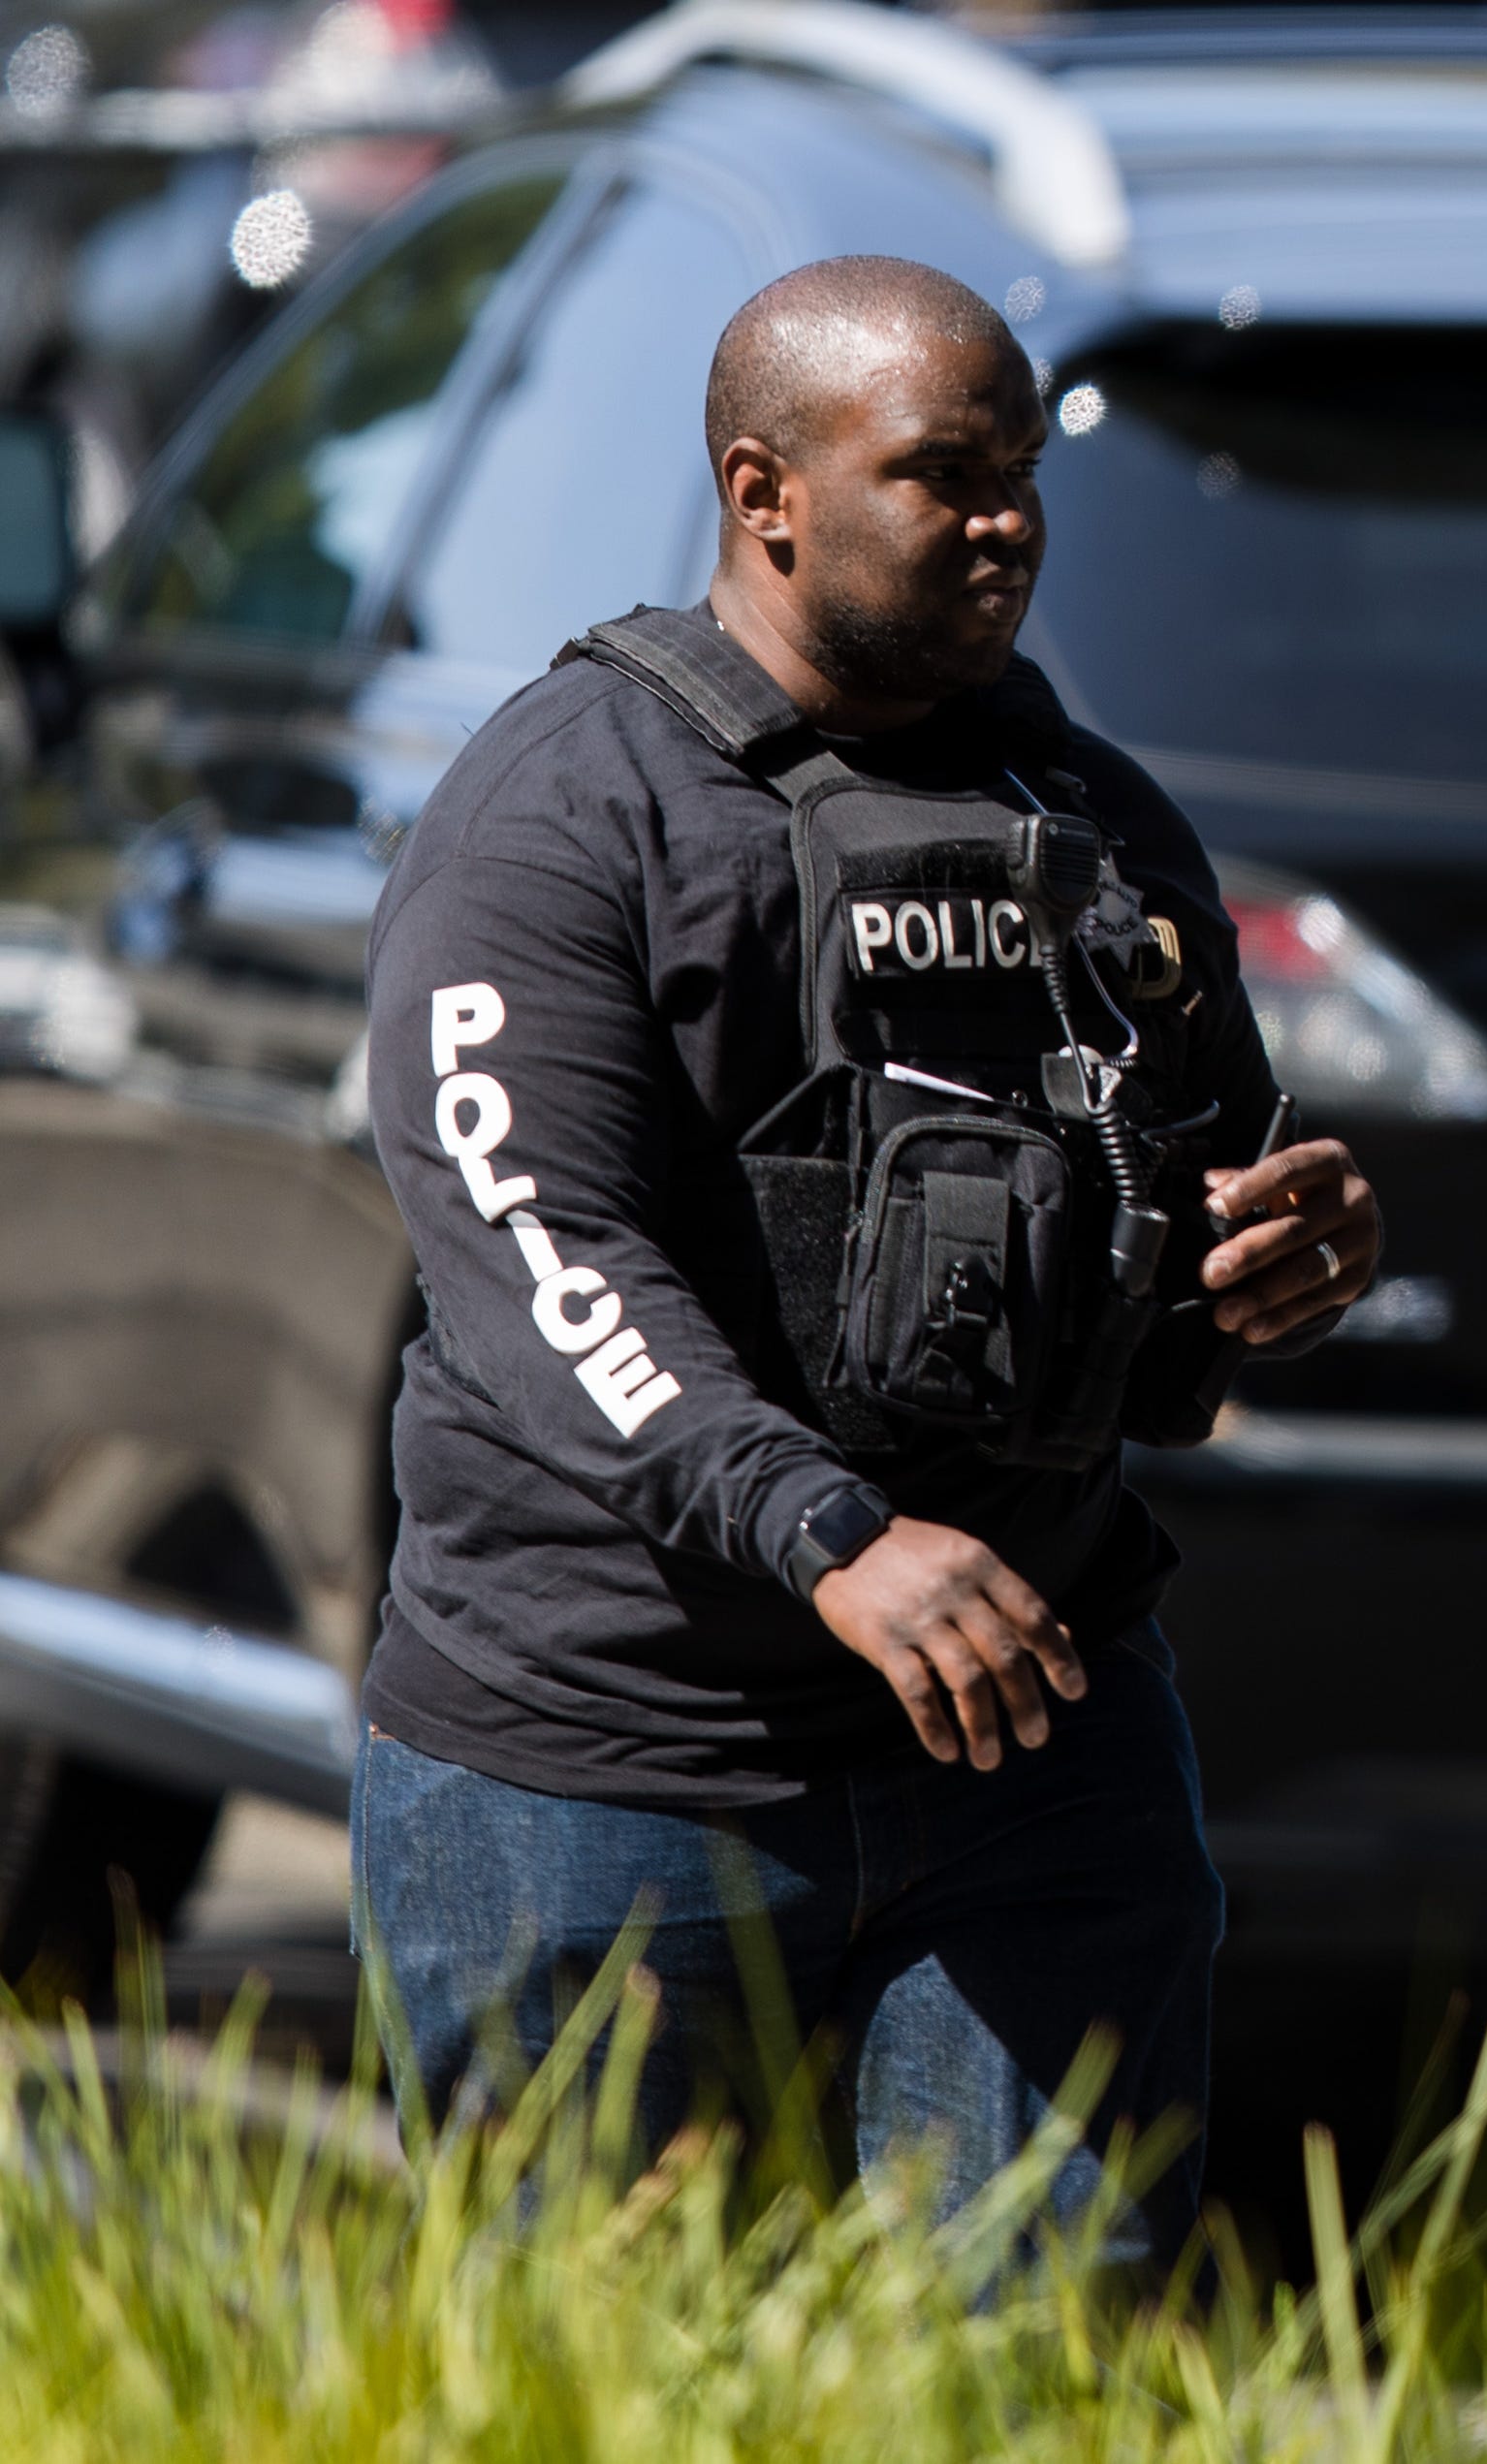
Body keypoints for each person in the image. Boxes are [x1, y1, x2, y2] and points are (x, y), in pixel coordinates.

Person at [353, 256, 1378, 2257]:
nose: (1006, 520)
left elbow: (1181, 1195)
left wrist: (1280, 1253)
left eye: (1019, 471)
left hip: (1036, 1752)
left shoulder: (1084, 809)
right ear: (768, 494)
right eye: (941, 474)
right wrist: (832, 1533)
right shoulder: (563, 815)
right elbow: (546, 1264)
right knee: (604, 2385)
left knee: (1042, 2356)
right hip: (608, 1766)